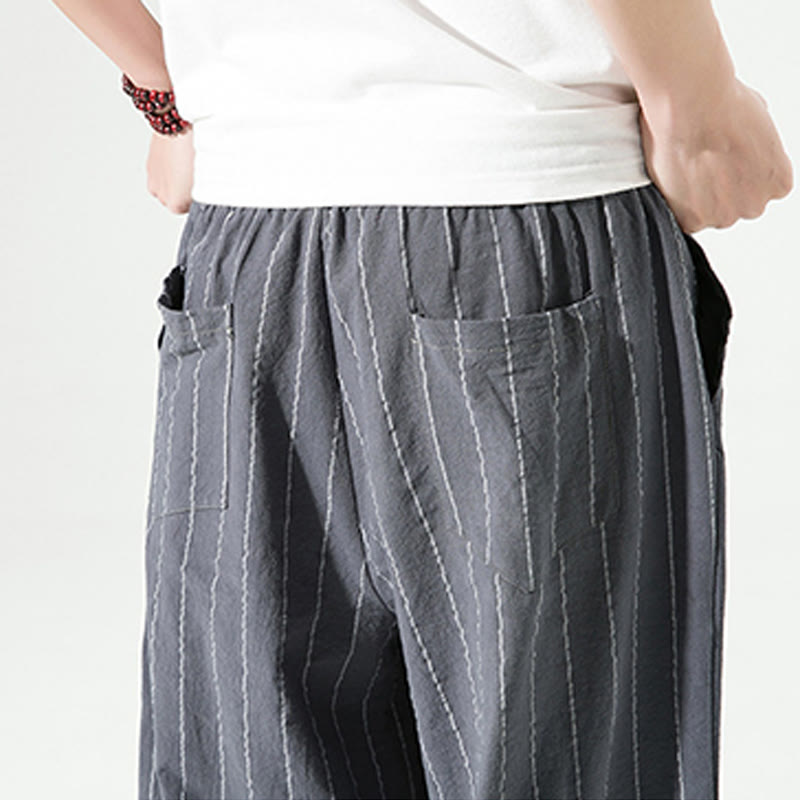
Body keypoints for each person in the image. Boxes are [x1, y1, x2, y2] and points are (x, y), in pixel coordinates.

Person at [50, 2, 793, 799]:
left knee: (252, 763)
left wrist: (166, 88)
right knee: (560, 757)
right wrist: (694, 108)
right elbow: (692, 122)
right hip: (518, 225)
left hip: (250, 255)